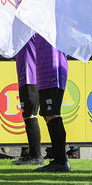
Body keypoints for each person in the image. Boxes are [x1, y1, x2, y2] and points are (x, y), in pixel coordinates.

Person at [13, 33, 70, 171]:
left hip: (49, 71)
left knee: (51, 114)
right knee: (48, 114)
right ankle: (57, 159)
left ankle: (59, 160)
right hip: (42, 72)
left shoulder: (45, 21)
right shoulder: (37, 21)